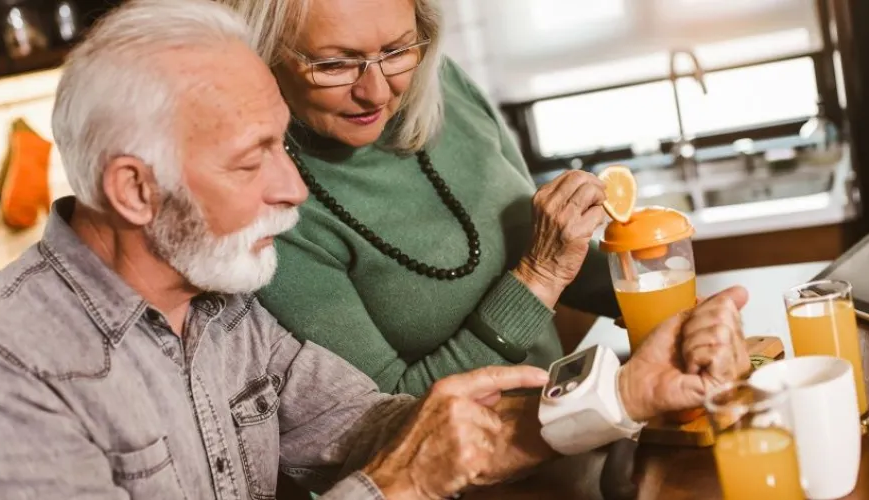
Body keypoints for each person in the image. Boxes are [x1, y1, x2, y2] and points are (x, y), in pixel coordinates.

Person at [0, 1, 751, 498]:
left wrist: (633, 387)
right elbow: (410, 463)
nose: (294, 189)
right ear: (133, 190)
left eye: (282, 146)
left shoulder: (228, 322)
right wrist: (400, 486)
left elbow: (411, 426)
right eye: (252, 160)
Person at [223, 0, 622, 395]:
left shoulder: (447, 85)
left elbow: (560, 260)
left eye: (397, 51)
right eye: (334, 65)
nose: (376, 92)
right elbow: (390, 409)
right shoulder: (271, 208)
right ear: (262, 52)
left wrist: (672, 302)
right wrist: (539, 277)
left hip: (571, 424)